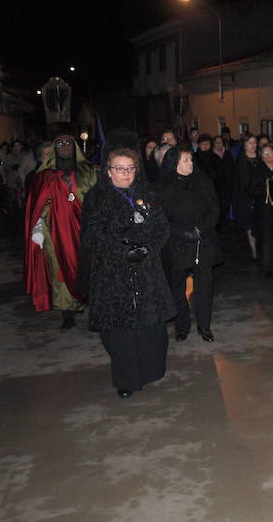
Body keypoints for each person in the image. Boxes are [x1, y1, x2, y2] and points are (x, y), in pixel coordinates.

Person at [81, 139, 174, 398]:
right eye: (120, 169)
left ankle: (150, 370)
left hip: (146, 272)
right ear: (108, 171)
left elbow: (161, 228)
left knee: (148, 327)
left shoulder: (147, 194)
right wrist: (124, 251)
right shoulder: (97, 197)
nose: (126, 174)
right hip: (114, 274)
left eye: (130, 168)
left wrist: (147, 249)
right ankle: (127, 379)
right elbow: (94, 235)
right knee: (121, 333)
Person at [24, 130, 98, 330]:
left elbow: (98, 200)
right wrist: (39, 227)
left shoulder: (89, 171)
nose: (65, 147)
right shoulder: (45, 176)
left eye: (68, 144)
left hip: (85, 230)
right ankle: (68, 314)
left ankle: (91, 307)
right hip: (57, 232)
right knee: (60, 270)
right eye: (60, 145)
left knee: (89, 268)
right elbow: (38, 206)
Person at [158, 147, 220, 343]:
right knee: (177, 286)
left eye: (191, 160)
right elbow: (161, 217)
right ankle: (182, 325)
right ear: (174, 163)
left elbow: (214, 207)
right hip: (177, 242)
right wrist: (182, 232)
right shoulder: (163, 186)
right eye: (185, 160)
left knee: (204, 285)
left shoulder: (202, 181)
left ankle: (204, 326)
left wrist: (202, 228)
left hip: (203, 241)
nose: (190, 163)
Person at [250, 143, 273, 276]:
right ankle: (265, 267)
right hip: (263, 209)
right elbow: (251, 188)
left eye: (268, 153)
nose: (265, 156)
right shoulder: (258, 170)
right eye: (263, 154)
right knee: (264, 237)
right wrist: (267, 189)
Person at [233, 133, 259, 259]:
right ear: (244, 145)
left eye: (254, 142)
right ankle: (254, 249)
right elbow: (242, 180)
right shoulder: (241, 160)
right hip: (246, 196)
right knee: (249, 224)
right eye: (250, 143)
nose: (252, 145)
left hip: (259, 195)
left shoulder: (259, 157)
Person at [211, 135, 236, 228]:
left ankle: (224, 222)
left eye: (220, 142)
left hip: (228, 186)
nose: (219, 144)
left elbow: (233, 168)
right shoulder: (211, 155)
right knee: (218, 206)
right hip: (216, 187)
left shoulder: (228, 154)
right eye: (217, 142)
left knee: (226, 205)